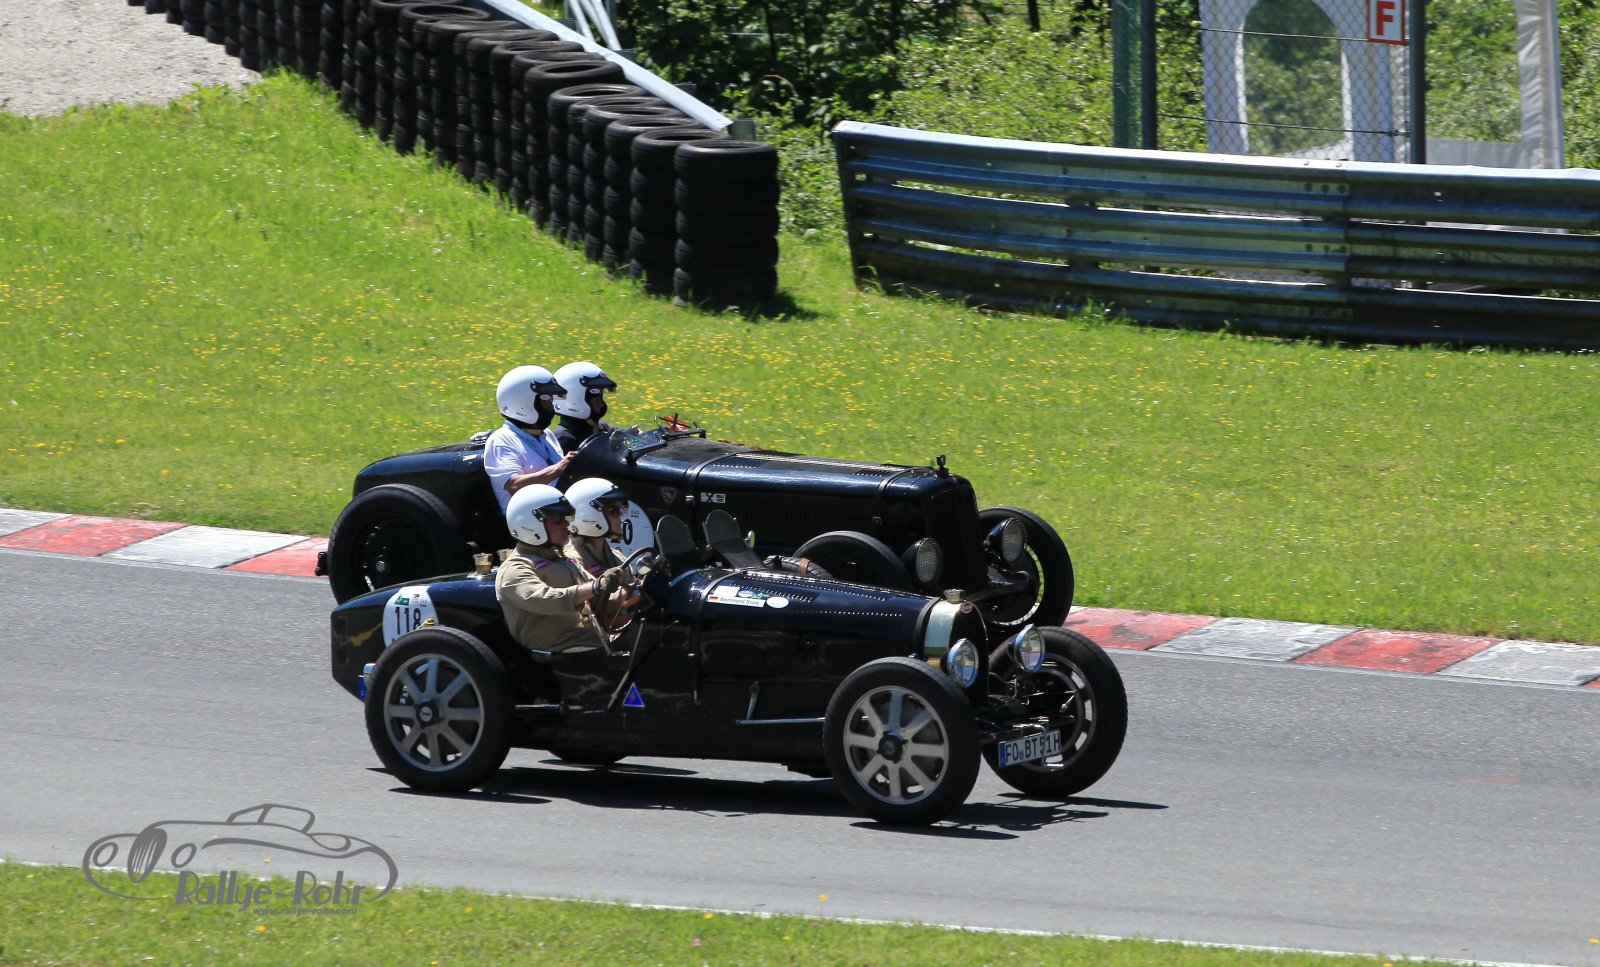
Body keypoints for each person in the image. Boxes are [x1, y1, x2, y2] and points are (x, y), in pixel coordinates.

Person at [495, 484, 632, 652]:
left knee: (652, 631)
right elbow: (546, 600)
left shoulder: (562, 560)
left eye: (566, 518)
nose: (567, 524)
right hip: (561, 650)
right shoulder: (515, 568)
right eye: (558, 520)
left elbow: (599, 600)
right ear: (530, 524)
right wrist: (597, 586)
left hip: (591, 641)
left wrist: (633, 593)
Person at [484, 365, 574, 513]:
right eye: (545, 400)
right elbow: (514, 486)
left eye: (551, 400)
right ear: (523, 403)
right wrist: (558, 468)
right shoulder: (502, 440)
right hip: (527, 519)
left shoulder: (546, 434)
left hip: (556, 512)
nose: (551, 407)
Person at [564, 476, 641, 628]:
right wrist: (628, 595)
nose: (621, 515)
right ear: (589, 516)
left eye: (620, 509)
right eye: (614, 511)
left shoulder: (617, 557)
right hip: (596, 636)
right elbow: (587, 613)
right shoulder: (571, 560)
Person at [550, 360, 618, 454]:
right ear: (574, 399)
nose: (601, 404)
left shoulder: (602, 428)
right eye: (596, 399)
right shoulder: (563, 441)